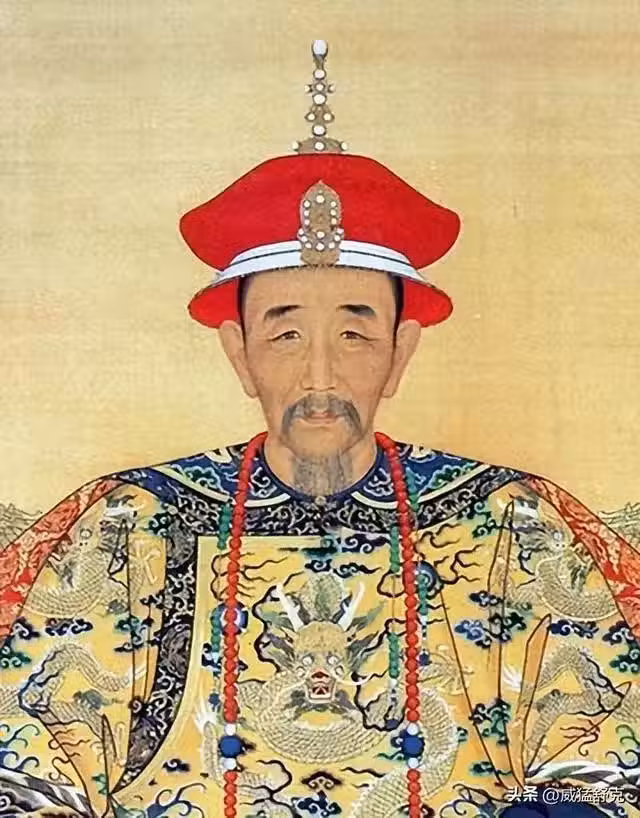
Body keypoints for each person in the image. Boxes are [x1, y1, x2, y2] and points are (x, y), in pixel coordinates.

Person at [0, 40, 639, 818]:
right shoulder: (132, 525)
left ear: (401, 351)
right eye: (285, 334)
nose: (321, 377)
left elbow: (601, 768)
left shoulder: (510, 522)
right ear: (239, 353)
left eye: (355, 334)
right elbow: (29, 768)